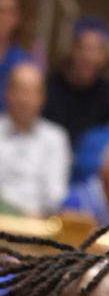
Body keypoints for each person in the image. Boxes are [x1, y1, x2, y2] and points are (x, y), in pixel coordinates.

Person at [0, 62, 70, 216]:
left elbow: (56, 195)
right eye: (18, 90)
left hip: (38, 225)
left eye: (31, 92)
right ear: (7, 93)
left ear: (42, 98)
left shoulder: (56, 138)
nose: (24, 99)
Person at [43, 17, 109, 144]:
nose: (88, 57)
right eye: (84, 48)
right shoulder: (49, 87)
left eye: (96, 51)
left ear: (104, 56)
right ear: (73, 50)